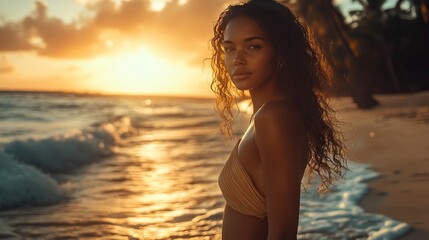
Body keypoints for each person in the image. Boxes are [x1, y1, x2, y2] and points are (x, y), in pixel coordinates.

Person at [210, 0, 348, 239]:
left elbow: (283, 233)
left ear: (281, 51)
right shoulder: (269, 113)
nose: (237, 59)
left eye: (253, 47)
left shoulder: (273, 118)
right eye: (229, 48)